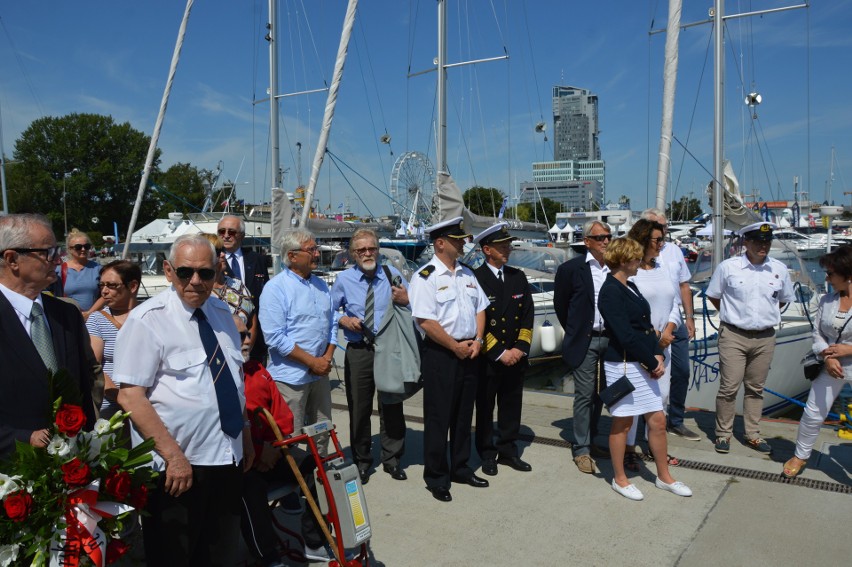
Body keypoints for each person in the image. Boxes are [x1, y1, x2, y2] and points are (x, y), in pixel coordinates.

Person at [115, 234, 254, 566]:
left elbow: (234, 382)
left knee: (219, 554)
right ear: (167, 271)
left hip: (226, 460)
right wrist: (173, 457)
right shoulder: (147, 320)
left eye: (205, 273)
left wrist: (245, 434)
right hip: (178, 468)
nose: (195, 281)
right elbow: (131, 395)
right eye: (185, 272)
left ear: (216, 271)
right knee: (173, 556)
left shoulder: (223, 314)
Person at [598, 237, 692, 501]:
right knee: (623, 423)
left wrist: (657, 354)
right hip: (623, 366)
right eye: (637, 258)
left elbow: (646, 327)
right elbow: (624, 335)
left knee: (658, 421)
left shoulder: (632, 286)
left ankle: (664, 477)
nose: (641, 262)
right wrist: (652, 362)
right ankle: (620, 478)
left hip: (643, 361)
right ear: (624, 260)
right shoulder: (609, 292)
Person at [0, 214, 97, 461]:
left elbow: (84, 388)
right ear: (12, 259)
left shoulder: (67, 315)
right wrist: (22, 439)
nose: (59, 260)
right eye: (48, 252)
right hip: (12, 472)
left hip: (73, 468)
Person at [234, 315, 330, 565]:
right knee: (249, 488)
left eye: (247, 334)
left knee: (317, 466)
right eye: (239, 336)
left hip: (272, 450)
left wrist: (275, 448)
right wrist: (257, 450)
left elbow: (282, 416)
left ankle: (314, 541)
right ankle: (268, 556)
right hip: (242, 459)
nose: (246, 340)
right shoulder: (218, 375)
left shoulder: (258, 370)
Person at [408, 216, 490, 503]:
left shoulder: (467, 274)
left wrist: (478, 340)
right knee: (439, 416)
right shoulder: (425, 277)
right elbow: (425, 321)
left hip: (470, 351)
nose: (462, 244)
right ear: (440, 243)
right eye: (457, 240)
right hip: (441, 355)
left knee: (463, 414)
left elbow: (481, 308)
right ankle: (437, 476)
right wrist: (454, 346)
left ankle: (460, 467)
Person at [706, 221, 795, 455]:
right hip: (734, 334)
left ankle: (753, 434)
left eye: (767, 241)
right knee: (729, 387)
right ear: (746, 242)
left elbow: (783, 299)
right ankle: (723, 434)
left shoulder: (779, 269)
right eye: (758, 241)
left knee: (756, 388)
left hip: (765, 336)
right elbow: (715, 296)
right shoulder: (729, 267)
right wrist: (733, 314)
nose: (763, 246)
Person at [331, 229, 409, 484]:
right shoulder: (344, 280)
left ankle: (393, 458)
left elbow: (412, 303)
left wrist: (406, 299)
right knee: (359, 408)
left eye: (372, 248)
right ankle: (363, 461)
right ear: (353, 254)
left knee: (392, 406)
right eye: (361, 250)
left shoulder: (391, 274)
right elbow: (329, 311)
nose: (367, 253)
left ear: (378, 249)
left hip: (389, 349)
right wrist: (343, 319)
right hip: (359, 351)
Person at [259, 230, 336, 456]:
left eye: (316, 248)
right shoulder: (275, 289)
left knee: (322, 432)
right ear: (292, 256)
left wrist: (326, 359)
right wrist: (312, 362)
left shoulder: (321, 286)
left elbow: (332, 324)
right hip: (290, 379)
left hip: (320, 374)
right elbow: (274, 337)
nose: (317, 254)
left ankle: (319, 481)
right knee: (289, 437)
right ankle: (292, 485)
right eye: (311, 249)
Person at [782, 245, 852, 478]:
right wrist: (827, 356)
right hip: (830, 366)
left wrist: (848, 349)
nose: (827, 278)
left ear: (848, 275)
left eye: (831, 274)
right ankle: (800, 455)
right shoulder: (826, 301)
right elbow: (818, 334)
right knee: (813, 413)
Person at [471, 223, 534, 476]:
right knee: (485, 408)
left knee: (511, 406)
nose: (507, 248)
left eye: (507, 244)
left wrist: (519, 348)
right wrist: (499, 353)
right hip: (489, 358)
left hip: (515, 356)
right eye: (502, 246)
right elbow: (475, 321)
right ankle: (487, 453)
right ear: (487, 250)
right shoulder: (475, 279)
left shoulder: (517, 277)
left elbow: (527, 316)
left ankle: (508, 450)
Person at [553, 220, 613, 474]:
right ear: (587, 241)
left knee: (602, 393)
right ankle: (581, 449)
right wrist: (577, 330)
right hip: (585, 339)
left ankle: (592, 438)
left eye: (609, 237)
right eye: (600, 238)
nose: (606, 242)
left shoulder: (615, 266)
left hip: (610, 339)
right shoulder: (571, 269)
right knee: (585, 394)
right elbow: (561, 305)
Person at [641, 208, 700, 441]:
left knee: (682, 371)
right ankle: (650, 425)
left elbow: (684, 286)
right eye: (658, 226)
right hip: (652, 325)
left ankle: (675, 421)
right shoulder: (638, 255)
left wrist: (689, 317)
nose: (664, 231)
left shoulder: (674, 250)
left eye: (665, 227)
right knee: (652, 374)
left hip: (676, 322)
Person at [624, 219, 679, 470]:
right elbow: (628, 310)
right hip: (639, 347)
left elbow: (673, 303)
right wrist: (653, 336)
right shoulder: (630, 271)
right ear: (644, 240)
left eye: (662, 239)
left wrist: (669, 328)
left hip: (664, 345)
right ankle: (628, 449)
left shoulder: (663, 267)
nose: (661, 244)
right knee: (634, 401)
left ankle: (655, 446)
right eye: (657, 240)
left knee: (662, 398)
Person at [85, 260, 141, 419]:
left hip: (148, 403)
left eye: (111, 285)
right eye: (101, 285)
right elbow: (94, 367)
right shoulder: (97, 320)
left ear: (132, 286)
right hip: (110, 407)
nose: (104, 291)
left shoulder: (150, 316)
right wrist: (122, 399)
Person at [219, 215, 270, 361]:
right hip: (226, 337)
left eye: (231, 232)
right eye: (222, 232)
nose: (226, 236)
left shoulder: (257, 259)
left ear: (242, 235)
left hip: (256, 339)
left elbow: (264, 297)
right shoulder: (215, 260)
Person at [59, 229, 106, 318]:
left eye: (87, 246)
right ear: (70, 249)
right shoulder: (60, 270)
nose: (83, 249)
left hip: (93, 318)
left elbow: (106, 295)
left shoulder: (98, 269)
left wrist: (89, 313)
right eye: (78, 247)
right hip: (68, 318)